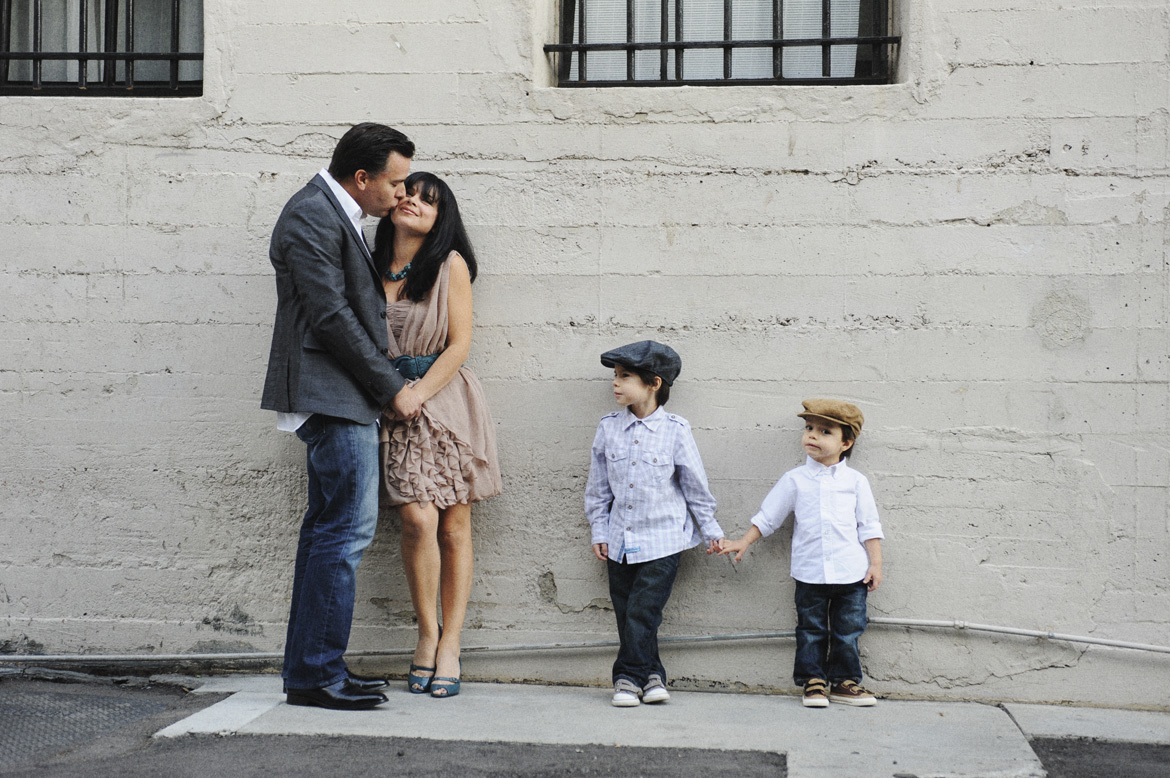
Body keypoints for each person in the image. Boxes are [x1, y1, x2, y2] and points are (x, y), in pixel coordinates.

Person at [261, 123, 423, 711]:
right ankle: (315, 676)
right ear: (363, 178)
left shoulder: (335, 212)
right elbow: (329, 316)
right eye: (395, 182)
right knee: (345, 533)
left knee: (328, 534)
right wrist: (391, 389)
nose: (401, 195)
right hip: (330, 394)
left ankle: (314, 669)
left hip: (340, 393)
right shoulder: (311, 214)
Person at [373, 171, 502, 699]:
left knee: (454, 525)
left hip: (443, 402)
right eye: (409, 193)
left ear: (441, 217)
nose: (415, 203)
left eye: (430, 200)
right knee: (416, 519)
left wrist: (418, 393)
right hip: (388, 401)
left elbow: (459, 345)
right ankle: (426, 633)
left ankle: (449, 644)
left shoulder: (450, 266)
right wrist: (391, 392)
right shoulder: (366, 262)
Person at [584, 341, 724, 708]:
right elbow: (597, 488)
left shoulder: (676, 430)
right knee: (627, 612)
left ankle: (627, 678)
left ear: (653, 383)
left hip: (664, 539)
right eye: (615, 376)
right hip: (619, 540)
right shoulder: (608, 428)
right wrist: (599, 530)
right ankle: (653, 675)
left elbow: (695, 484)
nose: (615, 384)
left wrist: (711, 530)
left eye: (624, 377)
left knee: (644, 611)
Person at [720, 399, 884, 708]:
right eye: (809, 428)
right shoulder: (795, 479)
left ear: (845, 442)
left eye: (824, 431)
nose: (812, 435)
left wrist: (876, 563)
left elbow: (869, 525)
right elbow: (769, 516)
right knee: (811, 629)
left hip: (852, 573)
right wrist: (743, 541)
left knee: (848, 631)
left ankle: (844, 682)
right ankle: (813, 682)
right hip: (810, 573)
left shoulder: (855, 482)